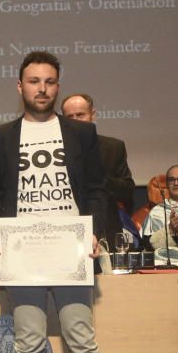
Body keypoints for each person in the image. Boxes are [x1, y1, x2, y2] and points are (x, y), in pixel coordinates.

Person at [0, 51, 121, 353]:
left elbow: (96, 187)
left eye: (49, 81)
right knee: (26, 345)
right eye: (33, 81)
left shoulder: (80, 134)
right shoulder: (2, 135)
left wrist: (92, 231)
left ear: (57, 86)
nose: (41, 88)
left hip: (70, 251)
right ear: (19, 86)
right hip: (22, 253)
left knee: (83, 343)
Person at [60, 93, 135, 243]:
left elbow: (127, 190)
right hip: (64, 229)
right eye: (70, 117)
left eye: (80, 115)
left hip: (105, 229)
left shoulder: (113, 147)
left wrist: (98, 177)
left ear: (92, 115)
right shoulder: (53, 150)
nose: (75, 121)